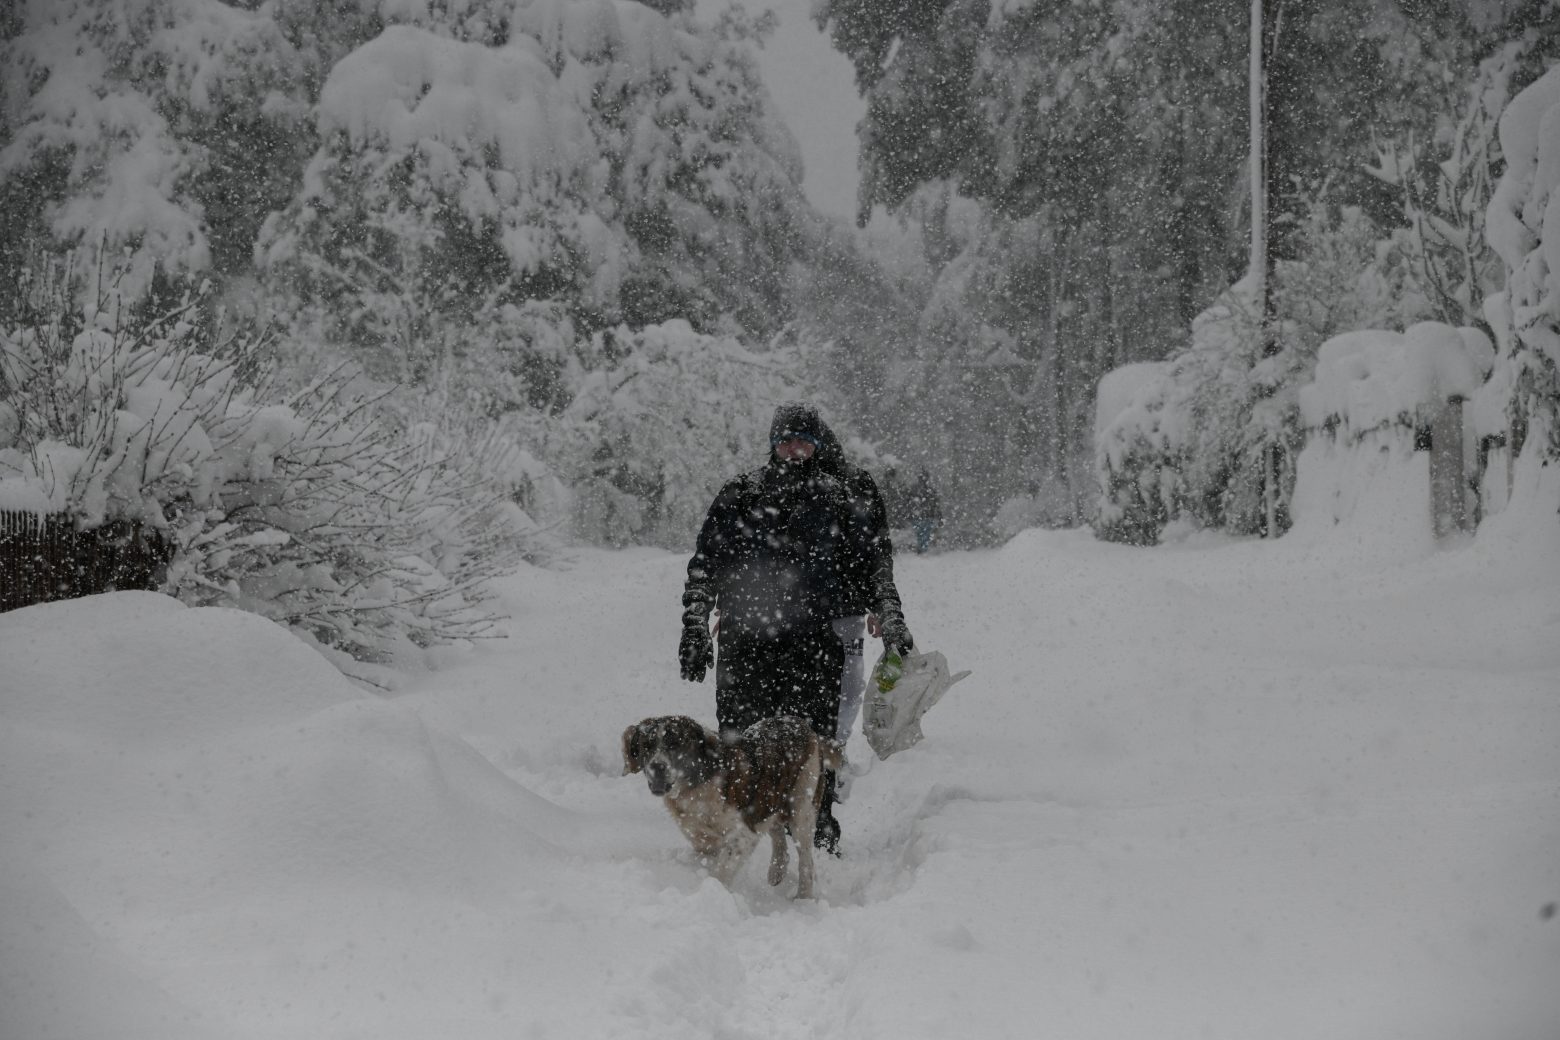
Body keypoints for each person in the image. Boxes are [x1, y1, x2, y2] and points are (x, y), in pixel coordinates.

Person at [679, 402, 913, 855]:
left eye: (803, 440)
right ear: (772, 444)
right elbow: (705, 565)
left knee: (813, 747)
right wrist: (693, 624)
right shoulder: (741, 494)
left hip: (814, 645)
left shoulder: (841, 495)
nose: (794, 449)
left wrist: (891, 612)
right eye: (785, 440)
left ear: (818, 444)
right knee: (739, 746)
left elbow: (874, 565)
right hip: (745, 644)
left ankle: (817, 831)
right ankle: (737, 837)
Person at [907, 468, 942, 554]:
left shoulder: (913, 489)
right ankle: (923, 549)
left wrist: (908, 513)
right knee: (925, 534)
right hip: (928, 515)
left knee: (920, 533)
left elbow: (908, 503)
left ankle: (921, 549)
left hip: (917, 515)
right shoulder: (931, 490)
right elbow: (936, 505)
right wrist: (940, 516)